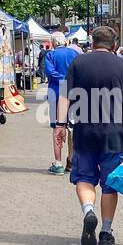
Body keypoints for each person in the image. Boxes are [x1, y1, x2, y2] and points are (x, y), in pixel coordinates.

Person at [56, 26, 123, 245]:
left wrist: (60, 125)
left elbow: (64, 97)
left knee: (84, 178)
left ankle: (89, 211)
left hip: (84, 132)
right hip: (114, 135)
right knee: (110, 184)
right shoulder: (122, 65)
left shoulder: (78, 63)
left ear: (92, 43)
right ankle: (106, 232)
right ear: (114, 45)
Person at [43, 32, 80, 174]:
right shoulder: (74, 54)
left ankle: (58, 163)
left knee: (57, 126)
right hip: (74, 93)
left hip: (56, 92)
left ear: (52, 43)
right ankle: (71, 160)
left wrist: (62, 79)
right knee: (72, 127)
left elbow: (50, 72)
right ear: (65, 42)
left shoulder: (50, 55)